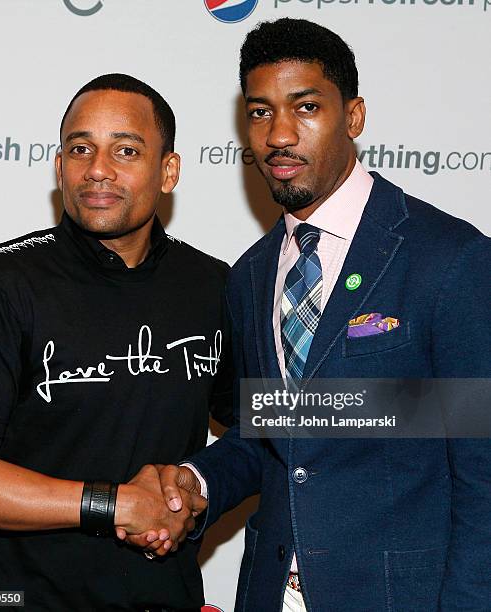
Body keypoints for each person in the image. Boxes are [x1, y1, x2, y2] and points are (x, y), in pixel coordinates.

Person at [150, 18, 491, 612]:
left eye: (305, 107)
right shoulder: (252, 274)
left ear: (353, 117)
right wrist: (196, 482)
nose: (279, 134)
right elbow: (273, 433)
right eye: (259, 113)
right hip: (268, 589)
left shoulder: (449, 258)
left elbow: (482, 468)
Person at [0, 73, 232, 611]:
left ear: (168, 171)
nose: (98, 170)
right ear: (60, 166)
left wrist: (193, 487)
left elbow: (259, 423)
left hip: (167, 600)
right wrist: (116, 505)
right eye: (79, 149)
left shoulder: (214, 286)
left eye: (126, 150)